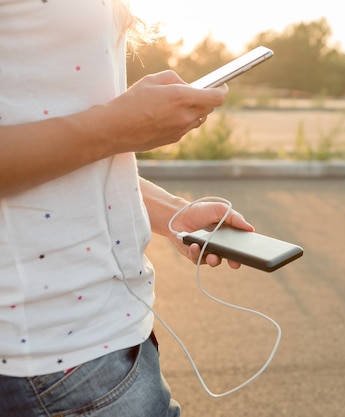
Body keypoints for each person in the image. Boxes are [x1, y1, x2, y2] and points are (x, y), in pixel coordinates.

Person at [0, 1, 254, 415]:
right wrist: (120, 125)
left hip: (107, 333)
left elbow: (55, 141)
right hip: (52, 355)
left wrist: (172, 212)